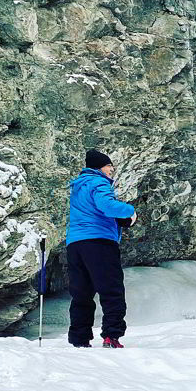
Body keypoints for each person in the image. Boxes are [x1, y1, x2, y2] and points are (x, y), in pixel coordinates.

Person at [66, 149, 136, 348]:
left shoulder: (77, 187)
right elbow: (107, 206)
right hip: (99, 242)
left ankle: (80, 339)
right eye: (109, 167)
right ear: (98, 167)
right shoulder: (98, 182)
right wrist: (130, 211)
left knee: (81, 293)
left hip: (75, 245)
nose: (111, 171)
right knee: (111, 290)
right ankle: (111, 336)